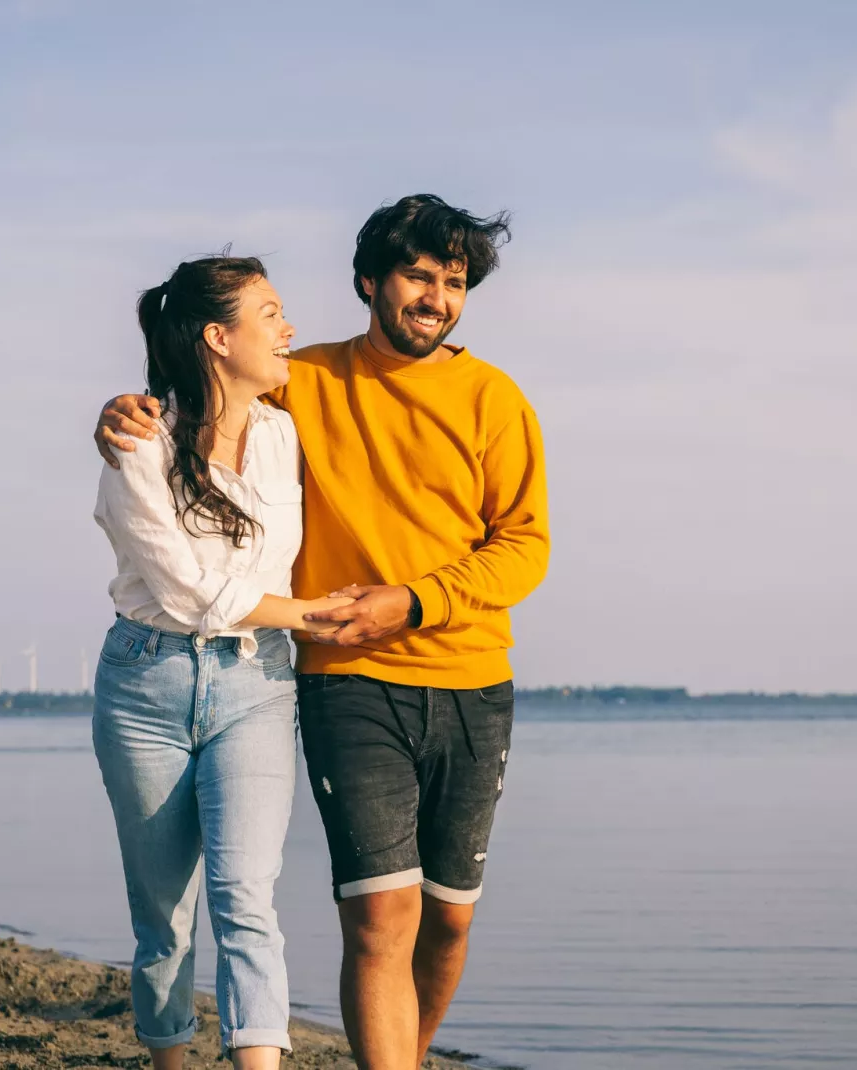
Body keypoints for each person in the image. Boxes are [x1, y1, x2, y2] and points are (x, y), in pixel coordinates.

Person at [95, 195, 551, 1069]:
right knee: (381, 916)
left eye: (454, 283)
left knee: (448, 922)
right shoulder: (302, 380)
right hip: (344, 680)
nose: (437, 297)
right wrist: (124, 411)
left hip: (470, 679)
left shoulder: (494, 399)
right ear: (371, 281)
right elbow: (203, 390)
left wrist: (414, 601)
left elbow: (525, 548)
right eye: (419, 275)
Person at [91, 254, 351, 1070]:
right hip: (146, 681)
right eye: (270, 313)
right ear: (218, 336)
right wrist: (311, 614)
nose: (289, 329)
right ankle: (169, 1058)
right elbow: (184, 584)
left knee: (247, 899)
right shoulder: (141, 441)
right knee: (163, 915)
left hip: (257, 683)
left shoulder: (286, 431)